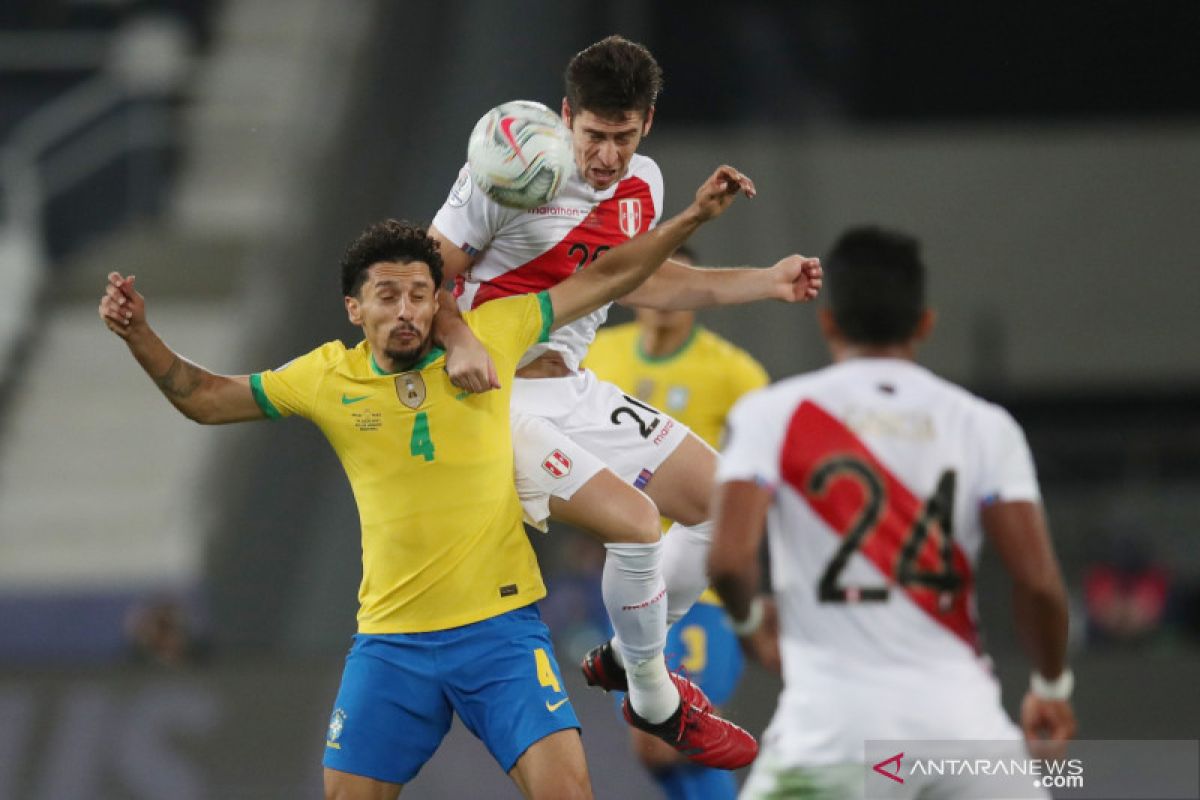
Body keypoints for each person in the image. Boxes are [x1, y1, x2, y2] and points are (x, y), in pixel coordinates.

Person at [98, 165, 753, 800]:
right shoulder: (327, 377)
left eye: (420, 294)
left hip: (501, 635)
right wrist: (140, 336)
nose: (407, 310)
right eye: (388, 296)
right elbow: (206, 398)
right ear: (354, 308)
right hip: (392, 642)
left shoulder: (495, 334)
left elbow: (611, 275)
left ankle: (644, 678)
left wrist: (691, 218)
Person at [429, 34, 821, 757]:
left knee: (724, 503)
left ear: (646, 126)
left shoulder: (644, 185)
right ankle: (654, 693)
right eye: (594, 135)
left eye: (624, 136)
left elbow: (636, 280)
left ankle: (626, 655)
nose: (607, 155)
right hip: (494, 397)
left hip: (572, 392)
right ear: (566, 115)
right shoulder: (511, 166)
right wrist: (456, 339)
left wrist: (765, 280)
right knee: (637, 524)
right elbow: (429, 272)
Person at [708, 226, 1077, 799]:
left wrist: (754, 625)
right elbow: (1039, 583)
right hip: (960, 725)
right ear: (925, 323)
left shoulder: (772, 415)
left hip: (831, 727)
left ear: (828, 320)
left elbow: (729, 562)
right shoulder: (983, 424)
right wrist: (1051, 685)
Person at [583, 244, 768, 799]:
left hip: (696, 591)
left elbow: (754, 485)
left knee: (662, 736)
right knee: (661, 736)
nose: (663, 296)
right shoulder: (594, 357)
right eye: (652, 279)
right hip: (625, 575)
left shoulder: (736, 375)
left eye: (678, 282)